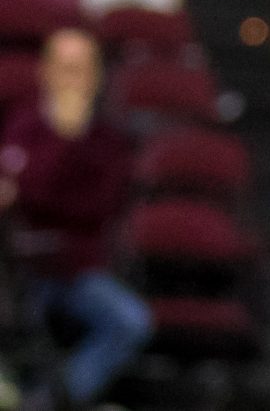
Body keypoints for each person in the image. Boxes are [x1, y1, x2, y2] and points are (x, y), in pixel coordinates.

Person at [0, 30, 154, 409]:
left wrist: (67, 146)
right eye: (63, 67)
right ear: (45, 72)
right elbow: (23, 198)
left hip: (79, 268)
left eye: (80, 69)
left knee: (131, 321)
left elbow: (98, 207)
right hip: (18, 267)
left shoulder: (111, 138)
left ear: (96, 76)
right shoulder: (23, 125)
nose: (71, 78)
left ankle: (48, 402)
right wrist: (63, 142)